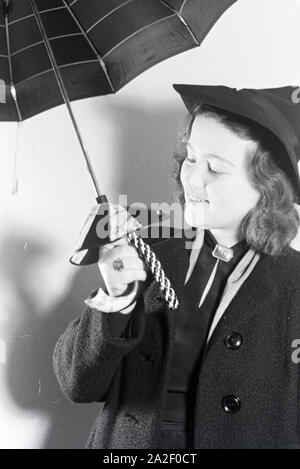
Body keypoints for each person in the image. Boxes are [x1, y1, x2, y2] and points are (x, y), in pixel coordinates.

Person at [53, 84, 300, 449]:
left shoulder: (295, 284)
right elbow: (77, 384)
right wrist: (115, 296)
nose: (193, 179)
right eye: (191, 157)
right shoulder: (146, 253)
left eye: (215, 168)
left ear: (267, 186)